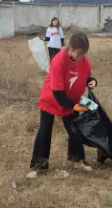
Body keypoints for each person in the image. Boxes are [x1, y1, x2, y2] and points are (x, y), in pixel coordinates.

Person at [27, 32, 97, 179]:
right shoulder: (59, 61)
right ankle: (38, 164)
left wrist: (92, 81)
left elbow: (87, 77)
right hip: (52, 100)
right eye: (79, 53)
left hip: (72, 99)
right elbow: (58, 92)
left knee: (75, 129)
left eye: (84, 54)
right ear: (70, 48)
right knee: (45, 131)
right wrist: (74, 106)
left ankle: (76, 158)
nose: (81, 57)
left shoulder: (84, 61)